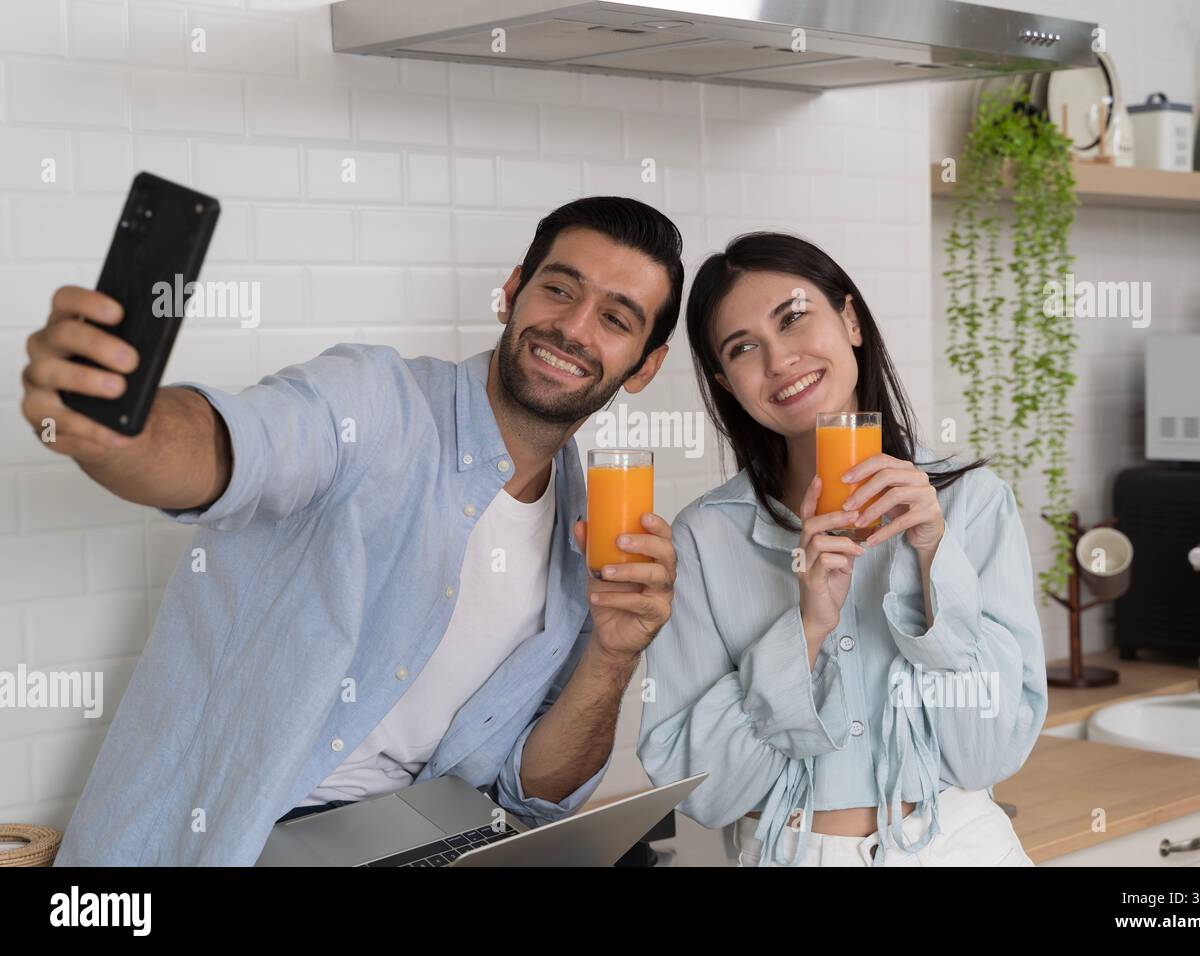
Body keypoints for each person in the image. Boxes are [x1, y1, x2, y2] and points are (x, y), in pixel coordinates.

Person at [21, 196, 682, 865]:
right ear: (512, 292)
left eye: (615, 319)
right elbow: (232, 447)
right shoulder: (372, 402)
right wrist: (119, 428)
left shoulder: (589, 533)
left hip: (416, 840)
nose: (572, 327)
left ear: (645, 366)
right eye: (559, 288)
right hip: (243, 837)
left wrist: (613, 654)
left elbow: (534, 791)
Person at [637, 232, 1048, 867]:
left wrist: (931, 559)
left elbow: (989, 755)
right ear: (726, 381)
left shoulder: (973, 503)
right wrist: (804, 629)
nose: (779, 361)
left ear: (850, 320)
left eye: (794, 319)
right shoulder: (700, 539)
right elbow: (701, 793)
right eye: (744, 348)